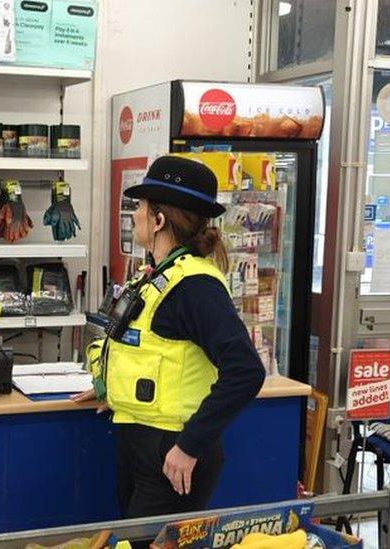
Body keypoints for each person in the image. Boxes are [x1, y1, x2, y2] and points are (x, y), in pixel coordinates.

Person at [72, 155, 265, 518]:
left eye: (140, 207)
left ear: (159, 220)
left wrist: (190, 445)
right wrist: (107, 387)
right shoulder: (157, 276)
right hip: (139, 440)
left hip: (172, 450)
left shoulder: (195, 287)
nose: (134, 216)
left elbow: (246, 370)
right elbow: (142, 349)